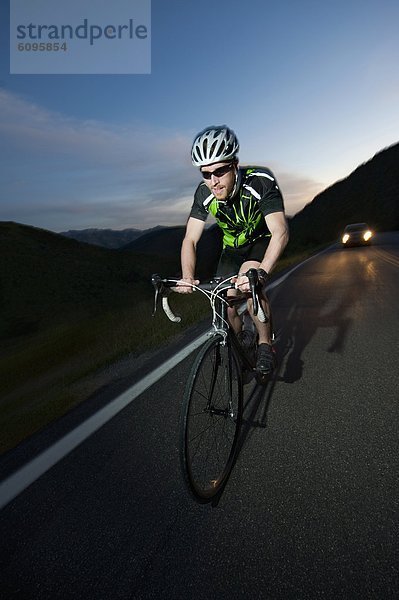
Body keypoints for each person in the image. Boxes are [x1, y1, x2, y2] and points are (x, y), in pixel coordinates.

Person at [176, 125, 289, 375]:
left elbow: (280, 232)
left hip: (261, 240)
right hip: (232, 249)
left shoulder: (259, 181)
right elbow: (190, 240)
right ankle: (240, 347)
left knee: (250, 287)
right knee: (224, 302)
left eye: (219, 171)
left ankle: (265, 344)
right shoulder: (204, 193)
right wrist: (187, 275)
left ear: (235, 165)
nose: (213, 181)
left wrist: (262, 273)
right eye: (205, 174)